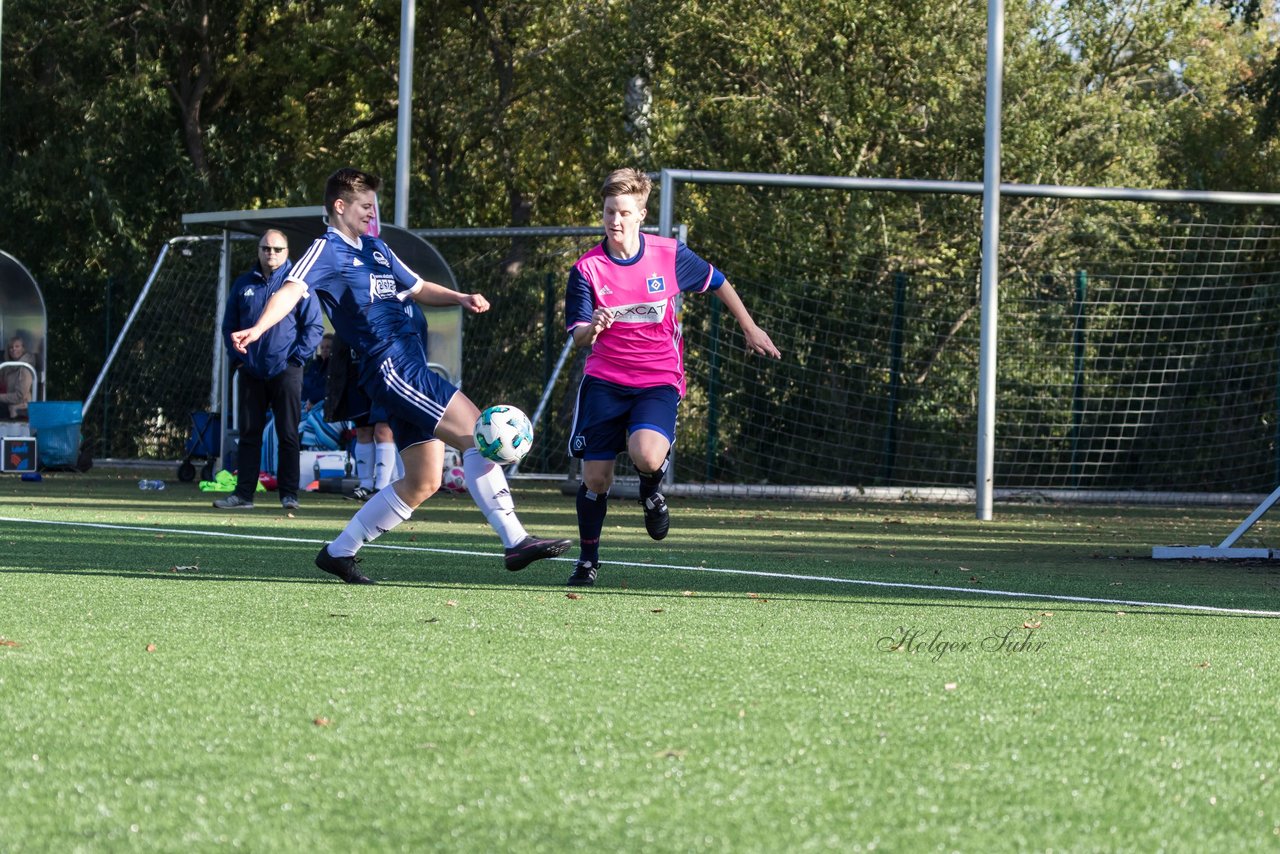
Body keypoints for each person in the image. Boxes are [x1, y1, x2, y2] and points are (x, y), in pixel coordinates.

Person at [231, 167, 569, 584]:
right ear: (340, 207)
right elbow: (291, 290)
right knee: (479, 432)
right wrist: (259, 327)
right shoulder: (327, 248)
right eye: (365, 206)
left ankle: (339, 552)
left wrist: (460, 297)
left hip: (407, 363)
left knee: (423, 479)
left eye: (374, 205)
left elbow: (419, 287)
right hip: (390, 365)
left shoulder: (375, 248)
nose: (372, 213)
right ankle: (515, 540)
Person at [563, 167, 781, 587]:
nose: (615, 220)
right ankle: (588, 561)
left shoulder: (668, 253)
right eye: (609, 211)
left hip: (657, 378)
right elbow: (578, 339)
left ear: (641, 214)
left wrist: (750, 328)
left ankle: (651, 490)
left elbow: (718, 281)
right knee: (596, 479)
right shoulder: (587, 270)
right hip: (605, 381)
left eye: (624, 212)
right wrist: (595, 325)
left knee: (646, 455)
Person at [215, 229, 324, 512]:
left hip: (286, 371)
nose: (271, 254)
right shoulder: (243, 285)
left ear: (287, 252)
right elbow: (229, 327)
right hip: (251, 370)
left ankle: (289, 494)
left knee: (287, 433)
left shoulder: (299, 284)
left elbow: (314, 328)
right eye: (266, 248)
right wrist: (238, 358)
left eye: (277, 249)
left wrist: (296, 360)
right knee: (249, 434)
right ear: (259, 250)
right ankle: (243, 496)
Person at [0, 334, 37, 419]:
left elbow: (19, 396)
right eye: (11, 347)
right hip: (9, 403)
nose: (14, 349)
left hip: (21, 406)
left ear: (23, 348)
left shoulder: (25, 369)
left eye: (17, 346)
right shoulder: (9, 367)